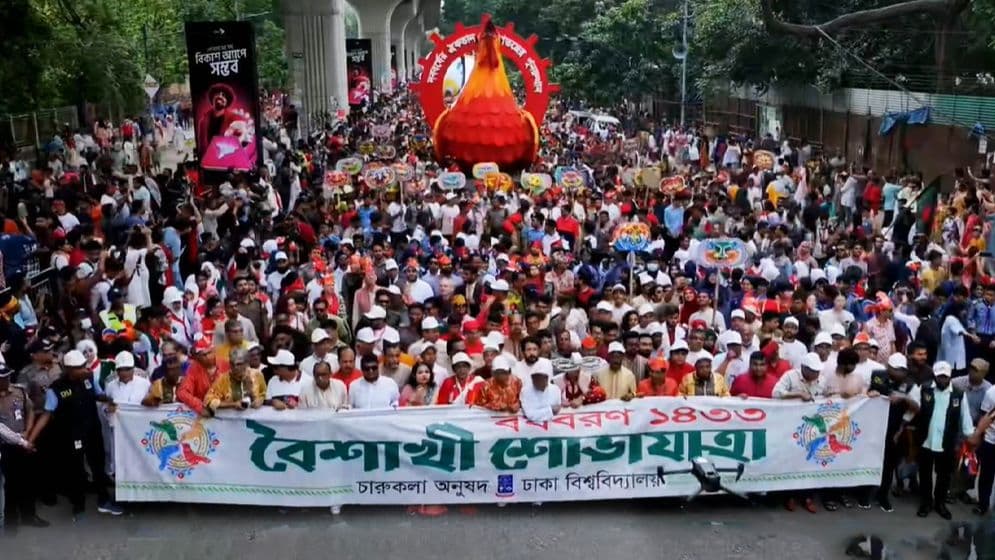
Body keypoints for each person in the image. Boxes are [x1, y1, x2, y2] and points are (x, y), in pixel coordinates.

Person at [26, 350, 123, 519]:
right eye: (79, 368)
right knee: (76, 471)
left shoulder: (89, 378)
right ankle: (78, 507)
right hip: (72, 435)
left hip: (93, 430)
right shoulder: (56, 389)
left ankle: (104, 501)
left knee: (98, 466)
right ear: (68, 369)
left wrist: (109, 400)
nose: (84, 370)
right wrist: (30, 440)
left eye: (84, 366)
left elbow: (98, 394)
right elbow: (46, 414)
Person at [907, 361, 974, 519]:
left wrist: (970, 436)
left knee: (944, 476)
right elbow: (912, 409)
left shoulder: (958, 394)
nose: (942, 380)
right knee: (925, 474)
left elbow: (965, 418)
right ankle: (926, 502)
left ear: (950, 376)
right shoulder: (923, 389)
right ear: (935, 376)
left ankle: (940, 503)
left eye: (945, 377)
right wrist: (905, 424)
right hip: (926, 440)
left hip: (947, 443)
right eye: (939, 377)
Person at [0, 364, 47, 529]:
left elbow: (31, 409)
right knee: (10, 485)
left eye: (7, 377)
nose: (5, 380)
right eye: (1, 378)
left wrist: (28, 430)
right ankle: (11, 522)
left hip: (24, 440)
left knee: (28, 481)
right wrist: (22, 441)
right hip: (5, 447)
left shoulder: (19, 391)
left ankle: (29, 515)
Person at [867, 353, 915, 513]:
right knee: (869, 459)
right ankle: (865, 493)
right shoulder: (877, 375)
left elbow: (915, 409)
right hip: (873, 426)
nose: (900, 373)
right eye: (896, 369)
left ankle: (883, 495)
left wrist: (904, 398)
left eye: (903, 370)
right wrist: (870, 393)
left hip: (894, 429)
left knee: (889, 464)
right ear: (888, 367)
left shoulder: (910, 385)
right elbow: (865, 393)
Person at [204, 348, 266, 413]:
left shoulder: (257, 375)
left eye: (239, 364)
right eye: (232, 364)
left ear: (246, 363)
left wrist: (261, 400)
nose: (235, 367)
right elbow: (208, 401)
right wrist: (233, 404)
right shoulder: (223, 379)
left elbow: (264, 393)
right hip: (230, 420)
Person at [177, 337, 220, 417]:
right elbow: (182, 392)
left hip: (225, 408)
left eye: (209, 352)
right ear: (197, 357)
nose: (207, 357)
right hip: (203, 414)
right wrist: (199, 407)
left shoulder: (225, 364)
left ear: (214, 351)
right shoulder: (194, 369)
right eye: (203, 355)